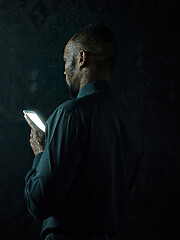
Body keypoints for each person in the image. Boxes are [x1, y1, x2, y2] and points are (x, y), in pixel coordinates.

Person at [24, 24, 143, 240]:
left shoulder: (70, 113)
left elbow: (39, 203)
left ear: (81, 58)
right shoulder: (130, 121)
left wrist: (41, 153)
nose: (64, 70)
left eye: (65, 61)